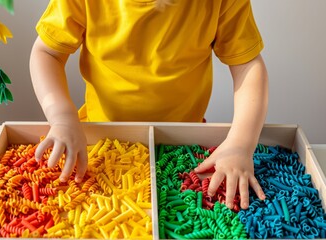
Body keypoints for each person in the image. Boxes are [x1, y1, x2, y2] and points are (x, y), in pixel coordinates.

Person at [30, 0, 268, 209]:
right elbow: (47, 54)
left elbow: (247, 65)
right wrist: (61, 117)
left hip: (183, 147)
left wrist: (240, 143)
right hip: (97, 141)